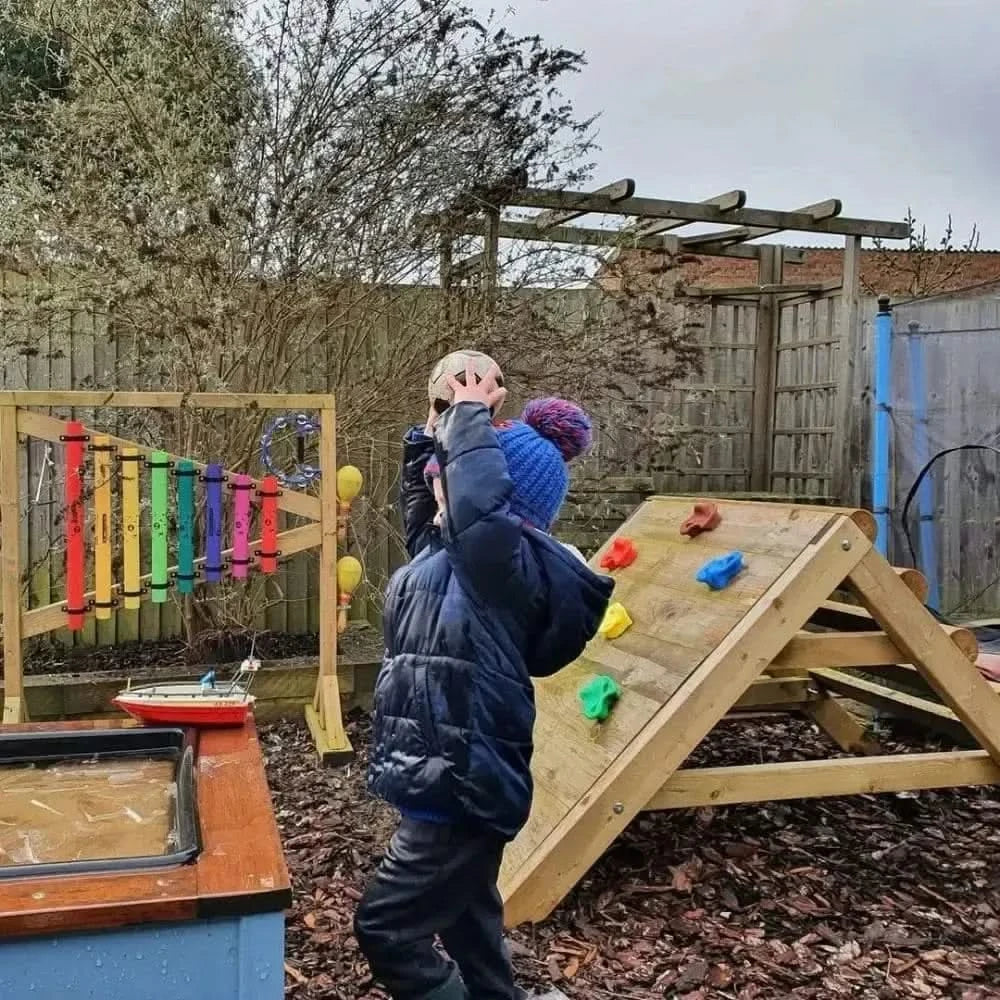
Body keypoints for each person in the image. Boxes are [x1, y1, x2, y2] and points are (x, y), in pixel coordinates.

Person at [355, 362, 615, 1000]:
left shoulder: (499, 566)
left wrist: (470, 417)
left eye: (448, 477)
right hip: (446, 772)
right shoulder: (451, 554)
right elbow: (430, 512)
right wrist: (431, 436)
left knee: (386, 930)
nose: (438, 487)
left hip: (460, 783)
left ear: (503, 505)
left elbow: (476, 508)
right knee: (469, 921)